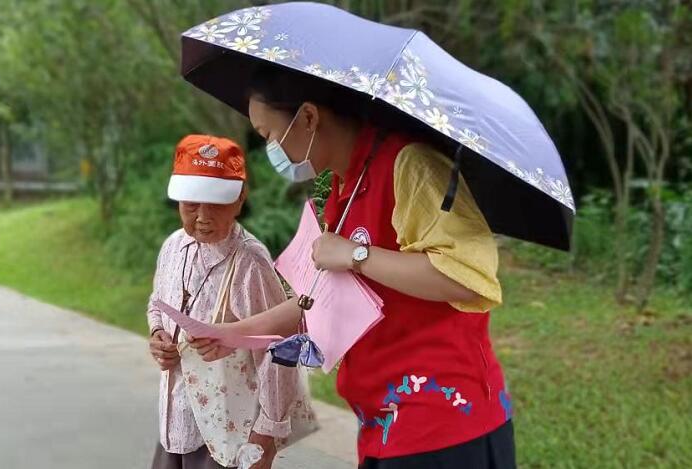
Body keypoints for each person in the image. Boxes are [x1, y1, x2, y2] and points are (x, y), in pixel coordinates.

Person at [217, 67, 517, 469]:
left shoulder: (409, 165)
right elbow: (318, 300)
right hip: (383, 424)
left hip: (442, 426)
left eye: (269, 134)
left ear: (308, 117)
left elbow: (466, 277)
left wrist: (357, 255)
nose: (271, 148)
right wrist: (231, 334)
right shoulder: (344, 187)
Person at [146, 134, 314, 469]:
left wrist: (267, 433)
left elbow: (279, 347)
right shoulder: (174, 247)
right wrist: (157, 335)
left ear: (240, 199)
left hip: (230, 432)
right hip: (176, 422)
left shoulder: (249, 262)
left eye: (216, 203)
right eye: (191, 204)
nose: (202, 216)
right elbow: (157, 302)